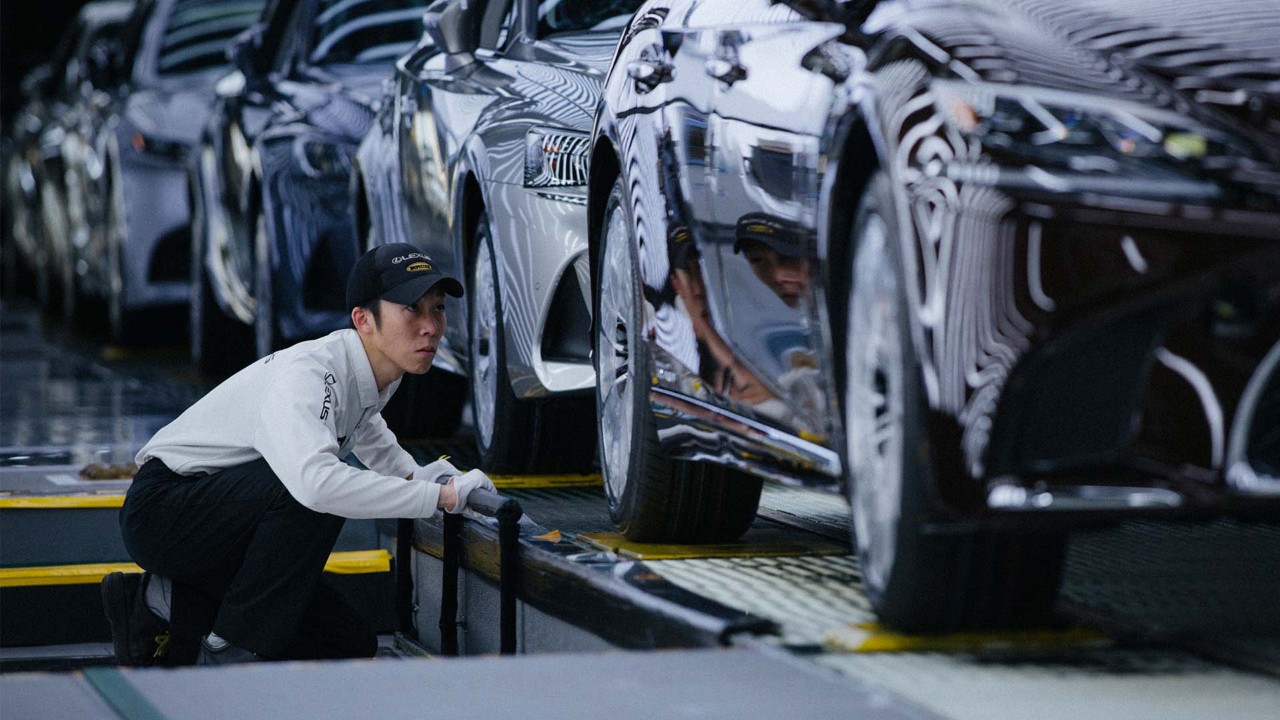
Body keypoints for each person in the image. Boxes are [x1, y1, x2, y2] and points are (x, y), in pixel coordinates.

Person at [101, 243, 495, 666]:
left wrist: (439, 482)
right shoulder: (309, 374)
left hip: (223, 520)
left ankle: (161, 602)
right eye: (411, 309)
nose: (431, 327)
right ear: (363, 320)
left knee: (348, 643)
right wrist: (438, 497)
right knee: (313, 483)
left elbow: (382, 450)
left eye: (437, 308)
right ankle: (228, 648)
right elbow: (315, 484)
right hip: (165, 511)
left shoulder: (371, 375)